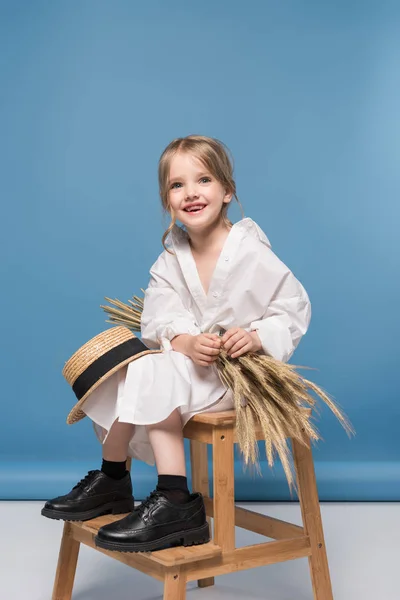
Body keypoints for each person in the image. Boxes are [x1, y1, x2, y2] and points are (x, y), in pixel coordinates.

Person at [41, 134, 311, 553]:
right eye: (176, 185)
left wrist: (256, 337)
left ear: (227, 191)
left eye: (203, 180)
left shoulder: (251, 253)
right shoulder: (170, 259)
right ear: (167, 199)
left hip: (230, 376)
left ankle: (172, 496)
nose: (191, 193)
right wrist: (184, 340)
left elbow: (293, 308)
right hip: (184, 371)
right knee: (126, 372)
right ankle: (114, 480)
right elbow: (158, 317)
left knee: (149, 369)